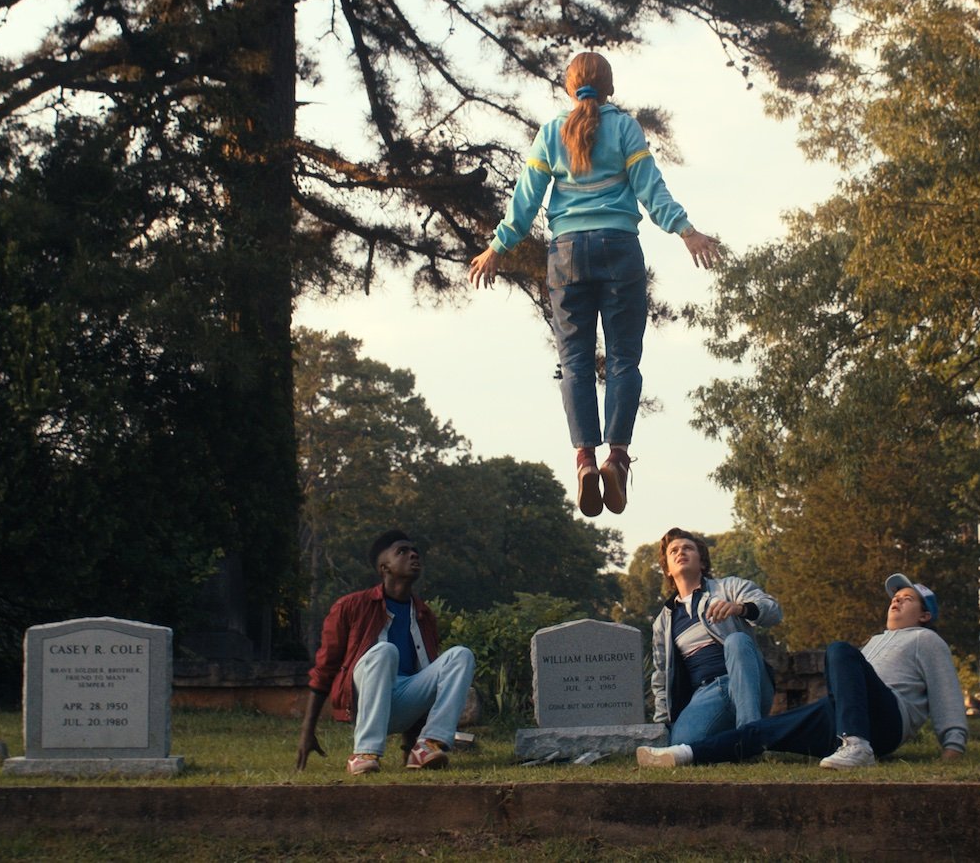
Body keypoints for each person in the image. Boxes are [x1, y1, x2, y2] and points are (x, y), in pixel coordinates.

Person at [467, 52, 723, 517]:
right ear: (609, 87)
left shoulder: (551, 134)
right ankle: (617, 459)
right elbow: (650, 188)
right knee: (624, 358)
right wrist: (687, 231)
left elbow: (525, 202)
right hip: (620, 249)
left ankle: (584, 458)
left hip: (566, 256)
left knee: (575, 362)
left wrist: (497, 247)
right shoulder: (625, 128)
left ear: (570, 88)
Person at [637, 574, 968, 770]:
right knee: (761, 732)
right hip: (842, 717)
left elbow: (946, 692)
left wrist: (952, 748)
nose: (895, 601)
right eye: (894, 597)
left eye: (906, 598)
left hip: (886, 721)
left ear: (925, 615)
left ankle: (857, 746)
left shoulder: (927, 640)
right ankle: (682, 754)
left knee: (838, 649)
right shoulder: (874, 642)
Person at [296, 531, 476, 775]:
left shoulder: (423, 615)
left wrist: (408, 744)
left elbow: (422, 674)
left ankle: (427, 745)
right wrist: (308, 731)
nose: (413, 555)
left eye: (415, 552)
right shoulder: (350, 606)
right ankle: (364, 753)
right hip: (364, 700)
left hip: (403, 704)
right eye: (402, 551)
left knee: (461, 655)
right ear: (384, 567)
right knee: (385, 651)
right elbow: (325, 669)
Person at [650, 527, 780, 746]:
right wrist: (661, 727)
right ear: (668, 570)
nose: (681, 552)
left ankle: (751, 737)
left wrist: (739, 608)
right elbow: (661, 678)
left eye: (688, 548)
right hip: (707, 693)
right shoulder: (664, 622)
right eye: (674, 551)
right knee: (682, 743)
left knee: (736, 640)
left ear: (701, 562)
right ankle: (731, 740)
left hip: (748, 681)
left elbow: (773, 611)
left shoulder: (729, 587)